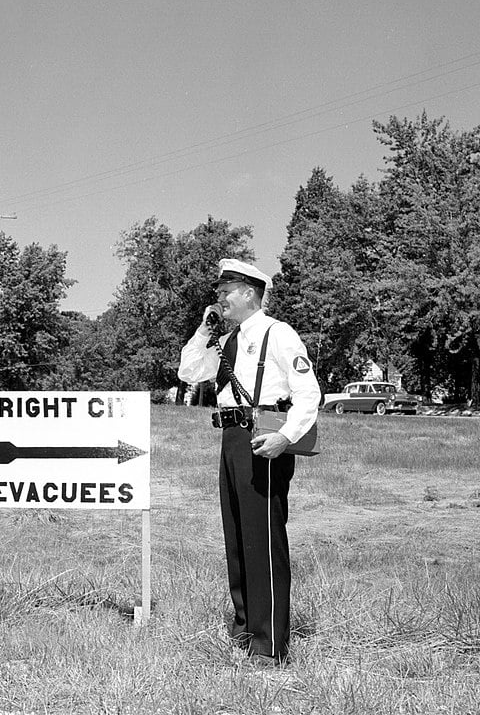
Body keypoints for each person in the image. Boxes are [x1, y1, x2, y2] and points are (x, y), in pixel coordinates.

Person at [178, 258, 320, 667]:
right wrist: (206, 329)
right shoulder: (227, 339)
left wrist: (284, 437)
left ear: (250, 293)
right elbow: (189, 372)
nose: (220, 298)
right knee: (238, 539)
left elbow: (308, 394)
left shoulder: (279, 333)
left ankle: (269, 644)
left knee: (263, 540)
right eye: (220, 292)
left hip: (265, 437)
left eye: (227, 291)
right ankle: (245, 628)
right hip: (232, 437)